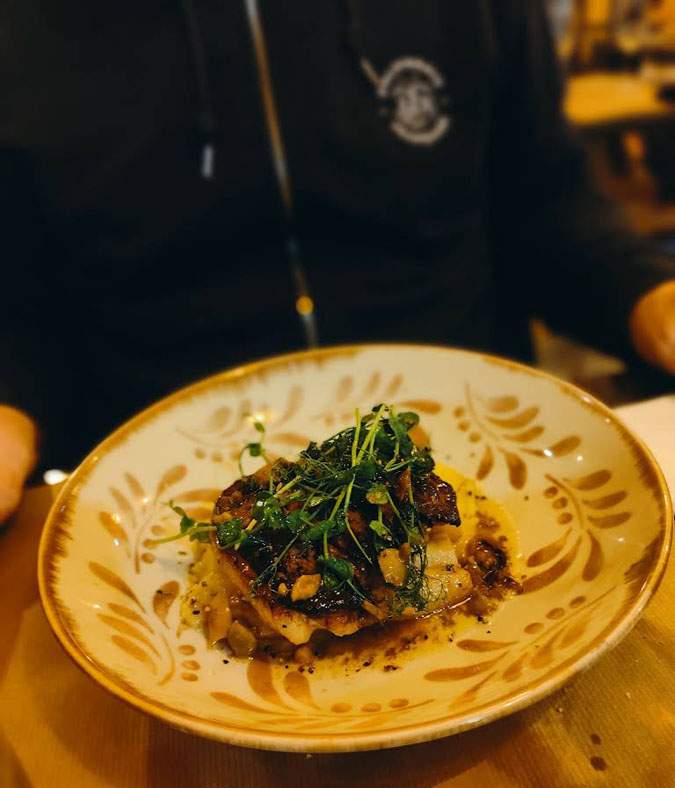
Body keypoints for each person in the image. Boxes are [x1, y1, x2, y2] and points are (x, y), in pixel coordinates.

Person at [1, 0, 675, 525]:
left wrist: (646, 292)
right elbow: (21, 299)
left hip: (469, 454)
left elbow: (546, 205)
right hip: (159, 491)